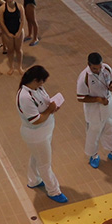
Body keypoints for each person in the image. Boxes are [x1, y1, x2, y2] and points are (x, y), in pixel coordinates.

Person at [16, 65, 67, 203]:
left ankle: (34, 180)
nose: (43, 84)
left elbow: (45, 104)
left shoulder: (37, 88)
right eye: (41, 81)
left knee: (36, 156)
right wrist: (50, 110)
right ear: (35, 80)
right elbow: (36, 120)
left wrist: (53, 107)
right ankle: (54, 191)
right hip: (36, 135)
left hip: (44, 131)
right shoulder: (25, 97)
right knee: (45, 164)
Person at [77, 52, 112, 169]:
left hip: (108, 104)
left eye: (100, 67)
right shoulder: (84, 77)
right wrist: (98, 99)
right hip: (94, 109)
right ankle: (94, 156)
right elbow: (80, 98)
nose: (98, 70)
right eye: (95, 68)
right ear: (89, 65)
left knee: (110, 127)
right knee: (93, 133)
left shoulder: (106, 68)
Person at [0, 0, 25, 74]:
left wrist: (19, 32)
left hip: (18, 31)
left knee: (19, 50)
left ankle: (20, 67)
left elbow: (23, 20)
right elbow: (1, 22)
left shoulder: (20, 7)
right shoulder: (2, 8)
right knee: (10, 50)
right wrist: (8, 33)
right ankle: (11, 67)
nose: (10, 0)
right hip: (7, 32)